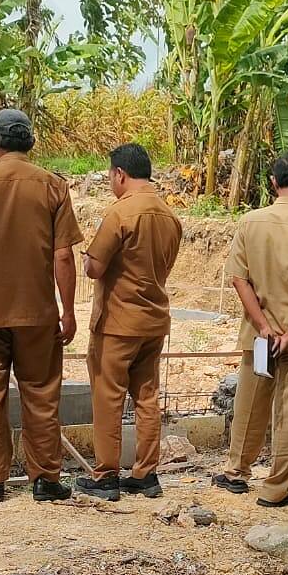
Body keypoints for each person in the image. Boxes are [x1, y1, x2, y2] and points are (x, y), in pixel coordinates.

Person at [0, 108, 84, 503]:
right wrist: (69, 310)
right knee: (41, 393)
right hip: (37, 313)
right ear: (31, 143)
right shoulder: (52, 186)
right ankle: (45, 480)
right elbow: (63, 256)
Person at [211, 152, 288, 508]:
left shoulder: (250, 222)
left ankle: (236, 473)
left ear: (273, 182)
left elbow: (239, 279)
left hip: (258, 334)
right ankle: (275, 489)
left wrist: (264, 327)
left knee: (249, 403)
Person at [76, 143, 184, 502]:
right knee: (147, 396)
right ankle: (145, 473)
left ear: (119, 174)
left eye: (110, 176)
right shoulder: (170, 216)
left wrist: (86, 260)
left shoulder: (120, 214)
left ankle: (106, 474)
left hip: (119, 322)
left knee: (108, 396)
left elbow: (95, 267)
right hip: (154, 321)